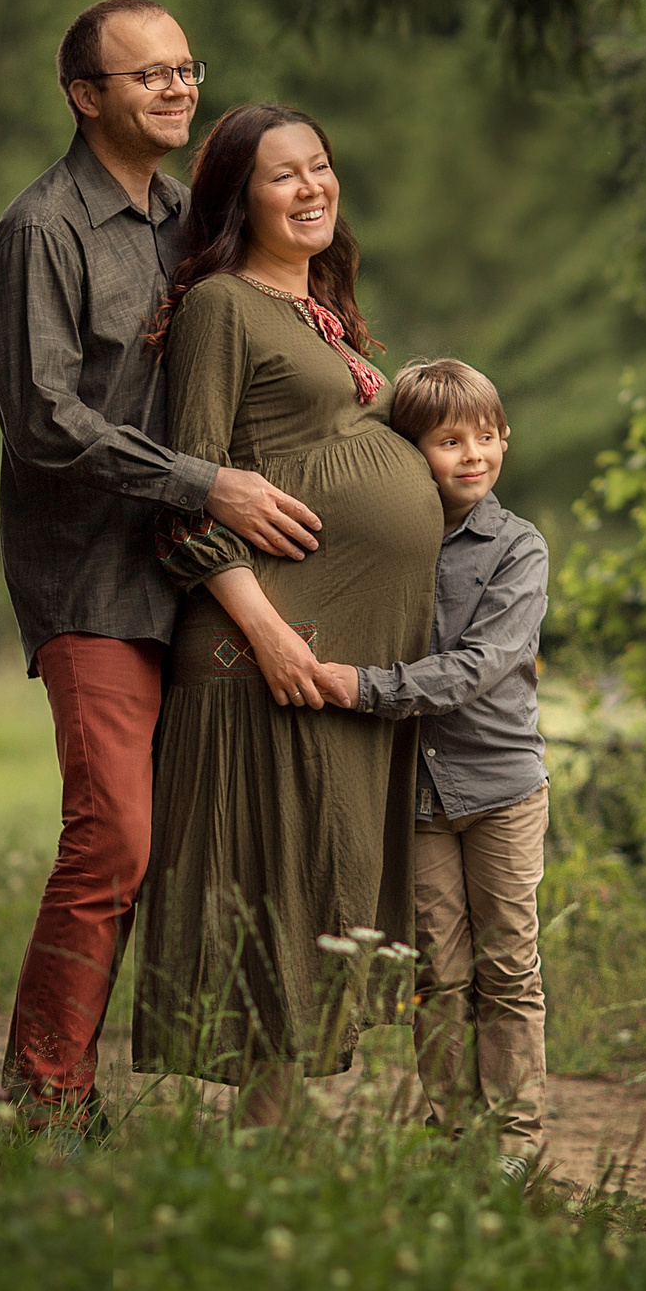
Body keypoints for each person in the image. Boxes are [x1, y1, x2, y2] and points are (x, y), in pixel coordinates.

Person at [0, 0, 325, 1134]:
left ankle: (265, 1100)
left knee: (230, 830)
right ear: (86, 95)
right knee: (115, 831)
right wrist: (200, 483)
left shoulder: (193, 217)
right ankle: (47, 1095)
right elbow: (40, 419)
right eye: (147, 78)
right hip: (95, 579)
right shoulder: (42, 233)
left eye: (186, 71)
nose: (177, 92)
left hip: (209, 570)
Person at [134, 103, 444, 1124]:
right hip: (268, 648)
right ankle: (262, 1158)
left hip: (344, 662)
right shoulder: (223, 305)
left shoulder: (323, 305)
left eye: (321, 164)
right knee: (278, 884)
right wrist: (267, 634)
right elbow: (186, 497)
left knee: (327, 881)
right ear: (237, 197)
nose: (312, 186)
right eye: (282, 175)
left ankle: (275, 1153)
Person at [316, 359, 552, 1181]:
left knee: (509, 963)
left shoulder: (518, 547)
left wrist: (362, 688)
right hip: (413, 792)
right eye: (449, 441)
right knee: (439, 972)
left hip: (500, 789)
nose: (473, 455)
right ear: (408, 453)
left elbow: (481, 663)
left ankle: (517, 1139)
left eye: (486, 437)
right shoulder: (391, 544)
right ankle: (454, 1135)